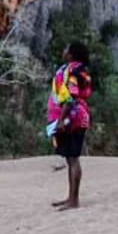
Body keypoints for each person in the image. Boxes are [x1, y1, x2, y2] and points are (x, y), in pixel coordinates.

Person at [47, 42, 92, 211]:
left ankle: (74, 200)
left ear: (72, 55)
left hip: (72, 120)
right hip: (73, 118)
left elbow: (70, 98)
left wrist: (60, 120)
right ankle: (71, 197)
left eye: (66, 49)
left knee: (73, 158)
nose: (63, 50)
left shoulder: (72, 72)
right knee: (70, 158)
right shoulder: (73, 69)